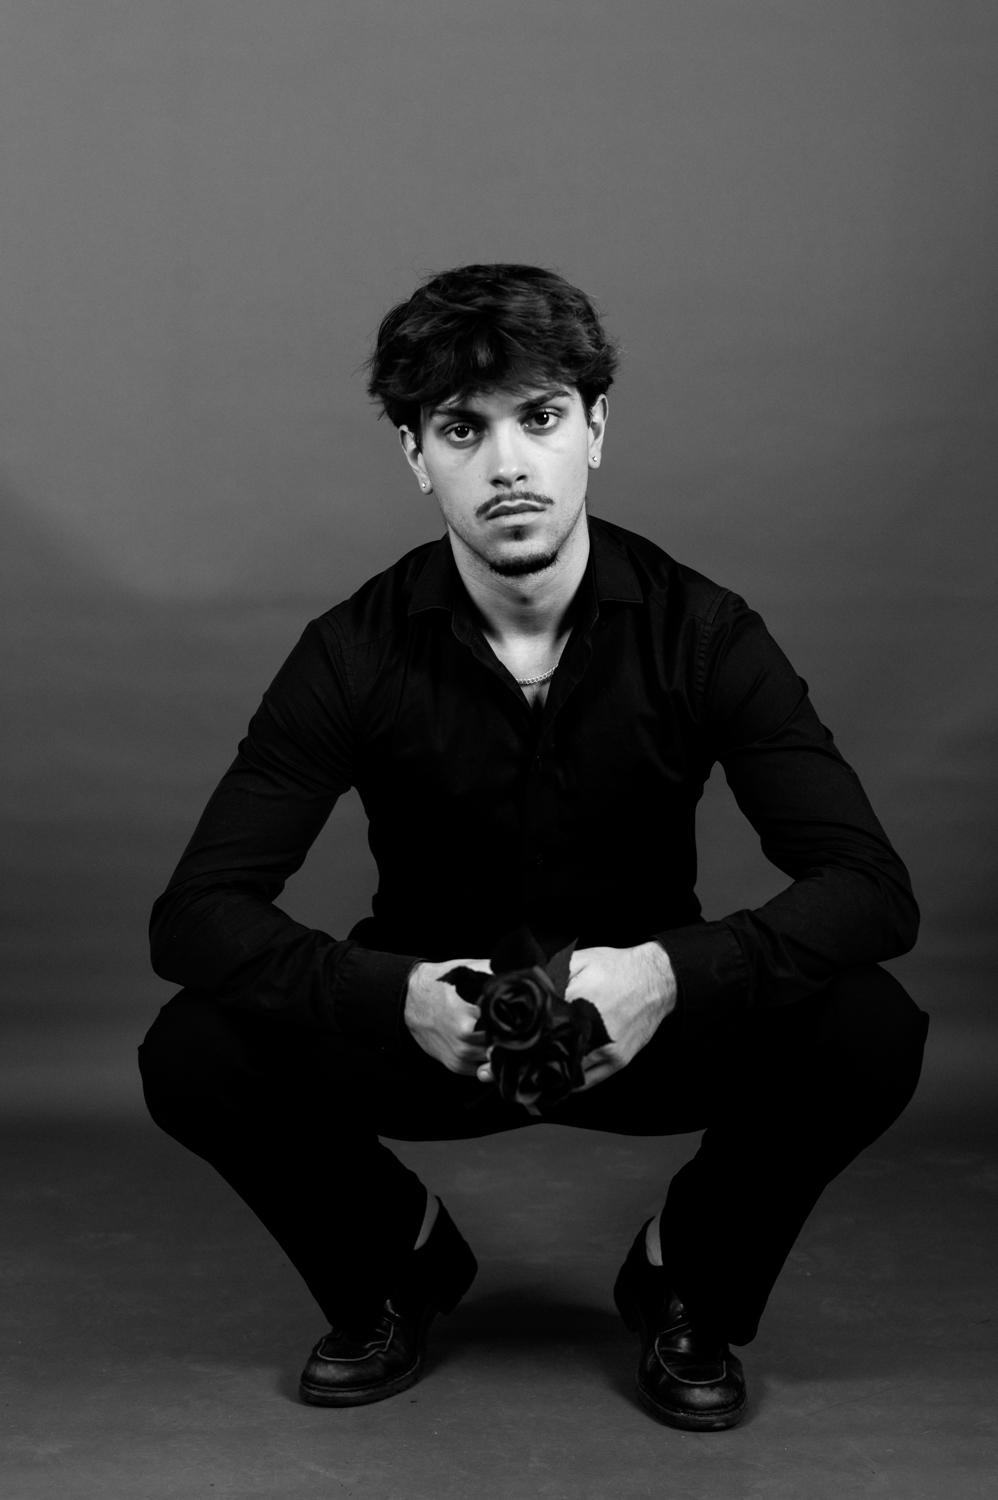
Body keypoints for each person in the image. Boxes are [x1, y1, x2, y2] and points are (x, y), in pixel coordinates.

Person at [139, 263, 928, 1430]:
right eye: (463, 429)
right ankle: (398, 1263)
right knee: (193, 1048)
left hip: (640, 1025)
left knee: (869, 1026)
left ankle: (683, 1278)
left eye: (541, 418)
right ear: (416, 455)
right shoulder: (350, 653)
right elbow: (195, 916)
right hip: (433, 1032)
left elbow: (869, 890)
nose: (507, 464)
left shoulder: (703, 633)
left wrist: (667, 975)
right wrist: (397, 995)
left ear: (594, 429)